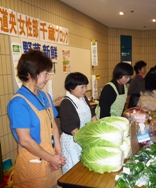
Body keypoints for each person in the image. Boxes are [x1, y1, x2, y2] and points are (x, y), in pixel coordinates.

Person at [7, 50, 66, 187]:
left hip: (52, 159)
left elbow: (54, 126)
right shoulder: (18, 103)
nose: (47, 78)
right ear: (30, 73)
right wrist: (51, 158)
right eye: (45, 73)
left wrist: (58, 153)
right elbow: (25, 140)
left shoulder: (45, 97)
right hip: (33, 163)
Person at [60, 72, 97, 174]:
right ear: (71, 88)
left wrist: (99, 133)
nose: (85, 90)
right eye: (82, 87)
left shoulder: (83, 98)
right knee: (74, 174)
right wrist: (90, 143)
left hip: (85, 139)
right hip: (73, 142)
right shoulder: (66, 103)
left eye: (85, 86)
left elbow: (93, 117)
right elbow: (74, 131)